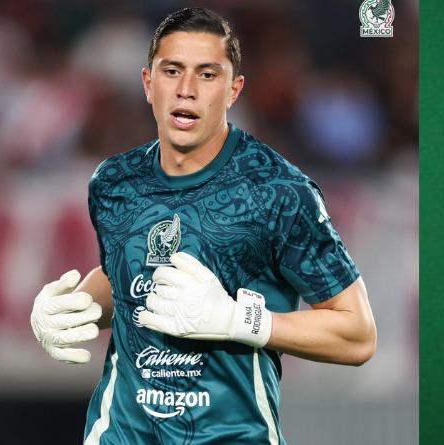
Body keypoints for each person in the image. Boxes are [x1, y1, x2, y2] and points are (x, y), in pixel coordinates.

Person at [30, 7, 376, 444]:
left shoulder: (278, 191)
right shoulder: (114, 182)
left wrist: (239, 320)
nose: (187, 89)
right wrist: (70, 310)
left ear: (234, 90)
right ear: (148, 83)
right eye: (172, 71)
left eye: (207, 74)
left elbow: (357, 335)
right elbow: (128, 278)